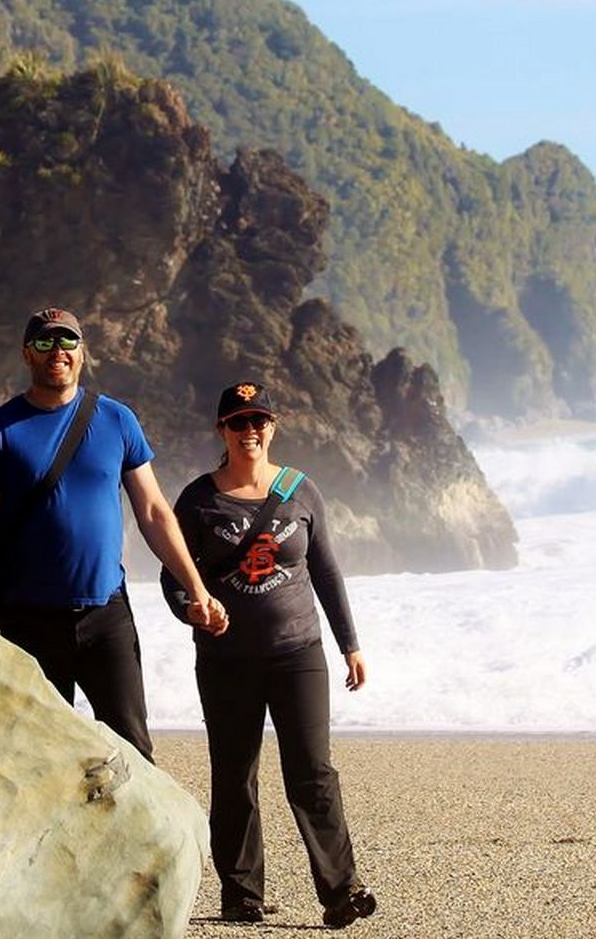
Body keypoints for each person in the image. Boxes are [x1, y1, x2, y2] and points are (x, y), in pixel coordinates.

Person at [0, 307, 227, 763]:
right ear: (28, 355)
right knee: (36, 758)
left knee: (134, 752)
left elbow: (154, 513)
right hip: (28, 621)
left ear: (82, 353)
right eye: (44, 343)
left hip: (106, 615)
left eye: (67, 342)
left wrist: (196, 589)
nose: (57, 352)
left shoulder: (116, 420)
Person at [162, 381, 377, 929]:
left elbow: (325, 570)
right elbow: (173, 576)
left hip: (297, 653)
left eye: (259, 421)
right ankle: (240, 896)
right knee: (235, 775)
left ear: (273, 428)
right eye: (238, 422)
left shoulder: (301, 490)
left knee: (312, 771)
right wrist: (191, 608)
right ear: (222, 432)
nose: (250, 431)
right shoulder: (198, 499)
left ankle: (341, 890)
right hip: (225, 659)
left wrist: (349, 643)